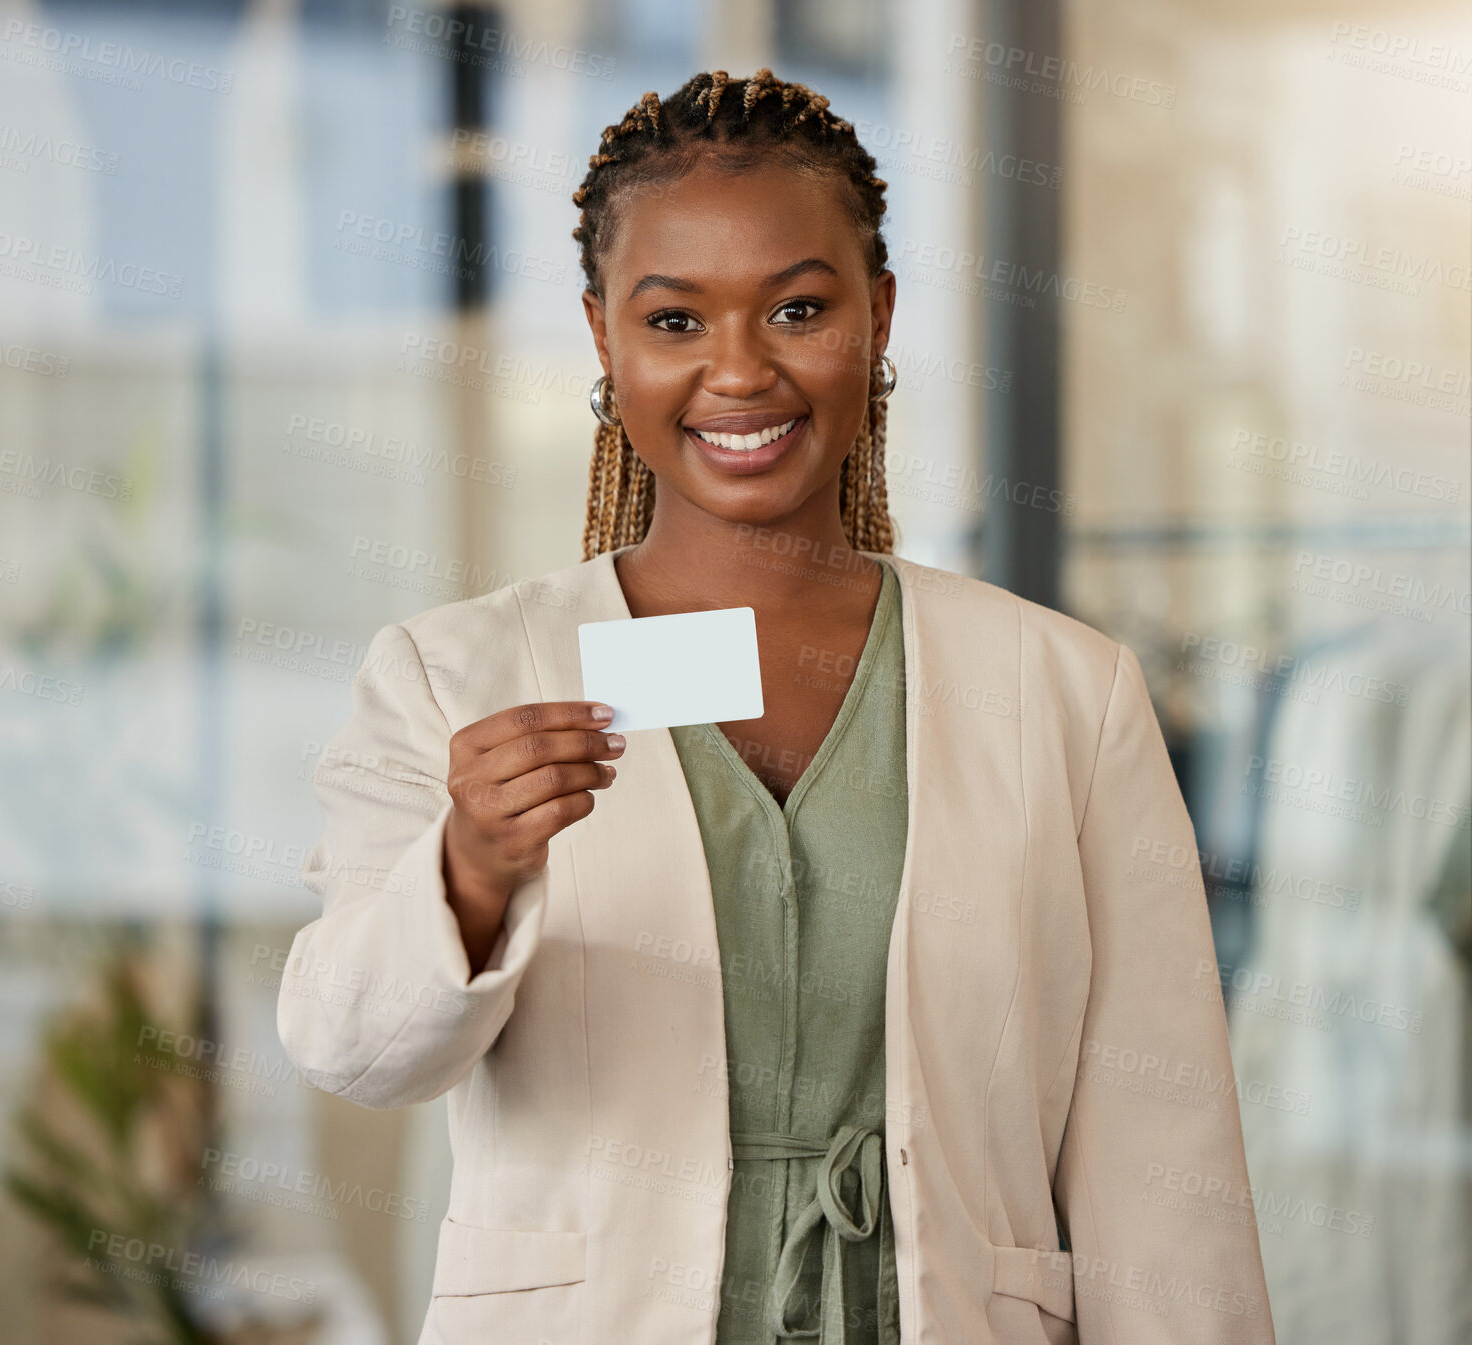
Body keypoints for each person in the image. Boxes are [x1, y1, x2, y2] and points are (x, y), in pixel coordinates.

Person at [278, 69, 1276, 1345]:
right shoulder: (454, 673)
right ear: (601, 338)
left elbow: (1162, 1152)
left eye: (798, 308)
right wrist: (468, 870)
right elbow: (354, 1052)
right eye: (674, 320)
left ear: (880, 316)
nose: (738, 372)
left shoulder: (1065, 693)